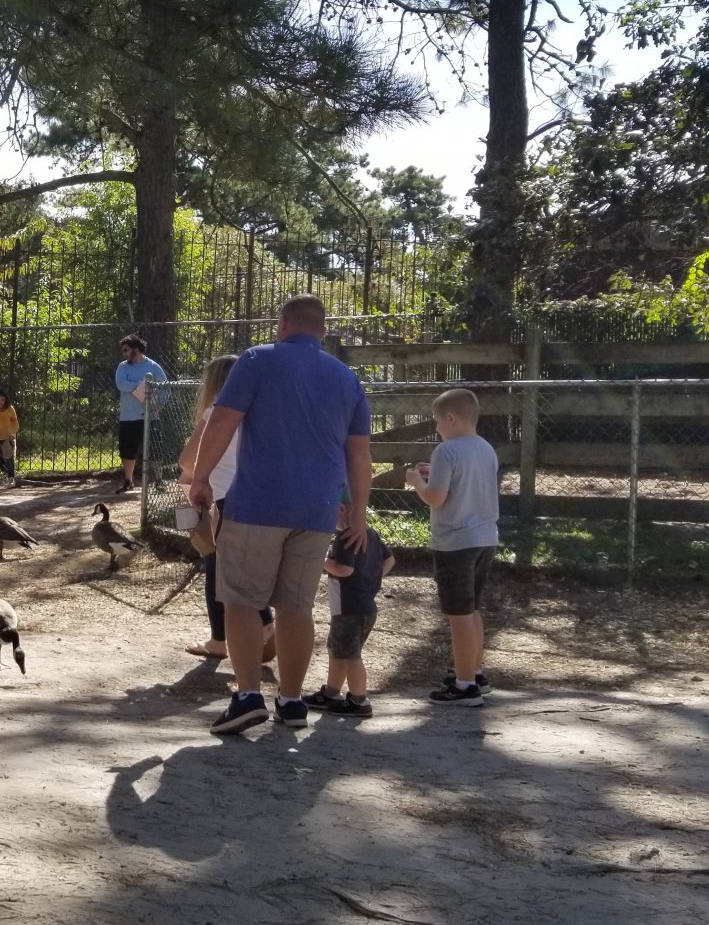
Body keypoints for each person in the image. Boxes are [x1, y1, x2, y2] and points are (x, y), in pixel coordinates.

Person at [185, 295, 372, 735]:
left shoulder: (256, 360)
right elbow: (360, 453)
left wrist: (201, 478)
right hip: (317, 511)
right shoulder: (347, 377)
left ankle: (248, 695)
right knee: (296, 607)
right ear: (322, 331)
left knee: (242, 601)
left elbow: (223, 421)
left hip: (257, 504)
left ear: (283, 324)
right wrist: (359, 513)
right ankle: (291, 701)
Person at [176, 354, 275, 662]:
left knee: (217, 568)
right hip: (259, 496)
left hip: (222, 500)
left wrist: (194, 479)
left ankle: (226, 639)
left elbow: (186, 461)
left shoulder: (216, 409)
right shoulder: (261, 408)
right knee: (245, 568)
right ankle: (264, 623)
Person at [405, 387, 500, 706]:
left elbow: (435, 497)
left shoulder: (446, 451)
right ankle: (474, 673)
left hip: (455, 542)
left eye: (436, 420)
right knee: (472, 608)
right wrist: (435, 477)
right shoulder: (485, 448)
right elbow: (463, 483)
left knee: (458, 614)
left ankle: (464, 686)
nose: (435, 427)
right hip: (485, 538)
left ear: (451, 417)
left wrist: (417, 482)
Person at [304, 498, 395, 718]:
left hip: (349, 609)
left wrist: (321, 561)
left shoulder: (344, 538)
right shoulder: (370, 534)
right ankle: (332, 693)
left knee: (351, 656)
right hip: (362, 607)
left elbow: (344, 569)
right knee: (338, 650)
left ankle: (359, 700)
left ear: (342, 509)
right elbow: (390, 560)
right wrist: (372, 578)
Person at [113, 334, 168, 493]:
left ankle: (158, 480)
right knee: (128, 450)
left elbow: (166, 387)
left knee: (155, 449)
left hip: (150, 416)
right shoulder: (123, 367)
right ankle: (128, 481)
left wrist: (158, 405)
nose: (124, 354)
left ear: (136, 348)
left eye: (126, 350)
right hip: (129, 416)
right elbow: (121, 384)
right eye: (122, 351)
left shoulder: (153, 366)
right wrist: (142, 386)